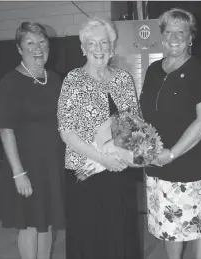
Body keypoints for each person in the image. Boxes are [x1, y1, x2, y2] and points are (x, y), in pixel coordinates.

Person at [57, 17, 141, 259]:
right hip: (85, 173)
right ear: (82, 48)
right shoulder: (73, 80)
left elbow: (132, 125)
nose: (98, 49)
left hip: (119, 171)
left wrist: (127, 156)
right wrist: (101, 159)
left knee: (120, 234)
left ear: (112, 47)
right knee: (88, 238)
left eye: (103, 43)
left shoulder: (124, 79)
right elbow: (67, 131)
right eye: (91, 43)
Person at [140, 8, 201, 259]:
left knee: (196, 227)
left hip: (189, 167)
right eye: (169, 31)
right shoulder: (152, 70)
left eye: (181, 32)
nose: (174, 37)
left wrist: (171, 154)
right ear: (161, 35)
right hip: (156, 167)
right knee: (168, 228)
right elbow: (144, 117)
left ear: (190, 37)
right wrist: (144, 150)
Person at [0, 22, 65, 259]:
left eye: (42, 42)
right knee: (29, 225)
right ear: (19, 48)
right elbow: (6, 130)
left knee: (46, 223)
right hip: (25, 167)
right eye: (30, 43)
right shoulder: (9, 82)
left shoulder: (55, 79)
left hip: (51, 166)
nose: (37, 48)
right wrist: (18, 173)